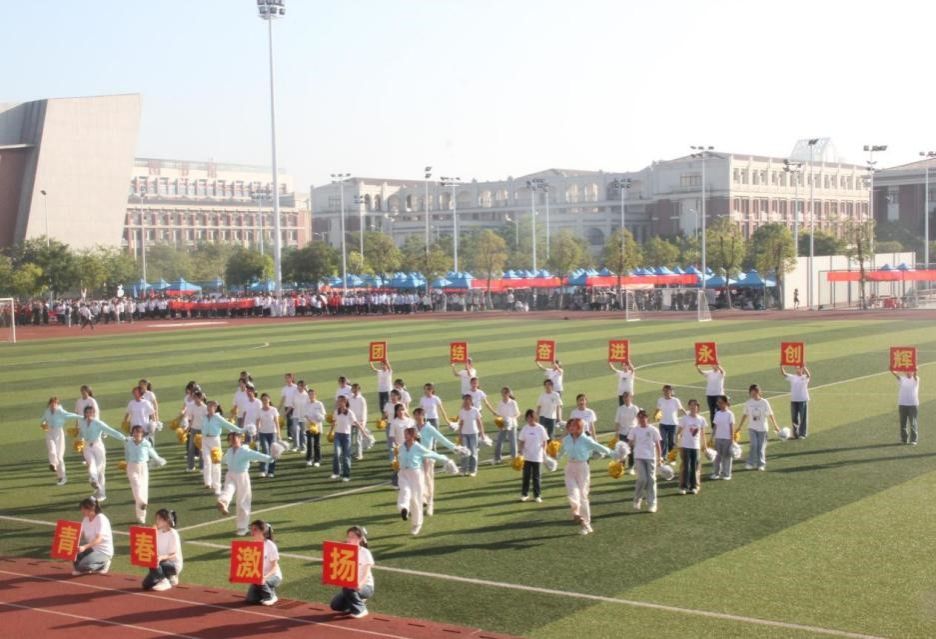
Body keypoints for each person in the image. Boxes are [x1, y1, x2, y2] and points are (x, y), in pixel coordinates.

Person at [556, 418, 611, 534]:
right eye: (570, 426)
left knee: (583, 496)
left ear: (579, 427)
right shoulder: (566, 440)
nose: (570, 427)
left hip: (582, 468)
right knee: (572, 492)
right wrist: (553, 460)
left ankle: (586, 524)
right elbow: (561, 452)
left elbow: (599, 447)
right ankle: (576, 513)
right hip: (570, 467)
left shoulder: (586, 439)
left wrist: (614, 453)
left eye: (573, 426)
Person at [396, 426, 451, 535]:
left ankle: (417, 524)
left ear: (412, 436)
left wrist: (446, 459)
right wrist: (397, 463)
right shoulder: (401, 447)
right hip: (403, 473)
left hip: (415, 474)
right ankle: (404, 509)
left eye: (407, 434)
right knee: (405, 491)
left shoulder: (418, 447)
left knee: (416, 499)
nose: (404, 436)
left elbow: (432, 454)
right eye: (404, 434)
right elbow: (399, 458)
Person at [217, 431, 274, 535]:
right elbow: (223, 460)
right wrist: (217, 459)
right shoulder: (231, 451)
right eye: (230, 439)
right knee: (242, 500)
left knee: (230, 493)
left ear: (240, 439)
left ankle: (224, 502)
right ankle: (241, 527)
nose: (232, 441)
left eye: (234, 439)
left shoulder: (243, 451)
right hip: (236, 475)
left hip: (237, 474)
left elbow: (257, 455)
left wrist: (270, 459)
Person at [412, 407, 465, 516]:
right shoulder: (413, 428)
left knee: (428, 478)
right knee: (418, 479)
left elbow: (441, 439)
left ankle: (430, 502)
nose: (417, 417)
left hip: (428, 456)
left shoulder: (429, 428)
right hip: (416, 457)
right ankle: (423, 497)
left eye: (419, 414)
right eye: (415, 415)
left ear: (423, 416)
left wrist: (454, 447)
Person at [78, 406, 127, 501]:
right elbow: (82, 434)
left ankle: (101, 493)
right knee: (91, 464)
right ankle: (93, 480)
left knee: (100, 470)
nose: (89, 414)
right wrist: (80, 442)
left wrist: (124, 438)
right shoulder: (82, 423)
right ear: (85, 413)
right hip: (87, 447)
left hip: (98, 447)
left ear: (94, 413)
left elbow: (111, 431)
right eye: (87, 412)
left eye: (91, 412)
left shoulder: (98, 423)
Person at [124, 425, 167, 524]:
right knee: (136, 486)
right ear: (132, 433)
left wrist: (158, 459)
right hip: (132, 466)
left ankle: (141, 517)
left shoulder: (146, 443)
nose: (136, 434)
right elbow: (126, 454)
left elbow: (152, 452)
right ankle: (142, 503)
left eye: (139, 432)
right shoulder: (128, 443)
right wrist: (126, 463)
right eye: (135, 432)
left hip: (143, 467)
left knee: (143, 491)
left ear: (142, 433)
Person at [329, 525, 374, 619]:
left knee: (348, 587)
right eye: (348, 536)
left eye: (352, 537)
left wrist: (360, 584)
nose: (349, 539)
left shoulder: (365, 553)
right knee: (335, 605)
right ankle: (358, 600)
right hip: (351, 586)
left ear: (360, 539)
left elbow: (366, 573)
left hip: (366, 587)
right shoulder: (345, 551)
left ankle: (361, 609)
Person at [202, 401, 244, 494]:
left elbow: (228, 425)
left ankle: (217, 486)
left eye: (211, 406)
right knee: (206, 461)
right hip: (205, 440)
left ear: (215, 408)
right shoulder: (204, 417)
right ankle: (208, 482)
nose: (209, 408)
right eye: (208, 406)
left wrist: (240, 430)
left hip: (215, 440)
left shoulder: (218, 418)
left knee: (216, 462)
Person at [738, 384, 780, 471]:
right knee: (753, 445)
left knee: (761, 447)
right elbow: (745, 415)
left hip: (763, 428)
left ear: (758, 392)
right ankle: (751, 463)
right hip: (752, 428)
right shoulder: (748, 403)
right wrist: (739, 426)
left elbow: (771, 414)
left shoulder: (764, 402)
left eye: (754, 393)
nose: (752, 395)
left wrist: (775, 425)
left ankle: (761, 464)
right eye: (751, 393)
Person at [40, 397, 81, 486]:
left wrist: (82, 417)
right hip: (49, 432)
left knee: (59, 457)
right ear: (49, 404)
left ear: (57, 404)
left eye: (55, 403)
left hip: (58, 433)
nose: (53, 405)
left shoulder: (60, 411)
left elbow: (69, 415)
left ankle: (63, 477)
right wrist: (43, 424)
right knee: (52, 451)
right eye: (52, 403)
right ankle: (53, 465)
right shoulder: (47, 411)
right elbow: (42, 420)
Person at [629, 409, 663, 512]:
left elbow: (658, 444)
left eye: (643, 417)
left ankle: (652, 503)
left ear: (647, 418)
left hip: (651, 457)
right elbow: (630, 443)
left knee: (651, 480)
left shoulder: (653, 429)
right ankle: (637, 499)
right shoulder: (634, 430)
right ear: (637, 419)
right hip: (638, 457)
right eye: (640, 417)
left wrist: (660, 458)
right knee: (642, 479)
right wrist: (624, 451)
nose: (642, 419)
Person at [142, 509, 183, 591]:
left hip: (173, 565)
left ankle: (165, 581)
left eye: (159, 519)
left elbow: (174, 554)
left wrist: (161, 557)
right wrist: (151, 532)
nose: (156, 521)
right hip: (160, 563)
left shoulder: (173, 534)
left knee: (154, 561)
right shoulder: (158, 532)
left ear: (166, 521)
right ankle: (169, 578)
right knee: (146, 585)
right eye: (156, 519)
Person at [245, 519, 282, 606]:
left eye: (255, 529)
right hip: (259, 577)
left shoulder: (270, 545)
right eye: (251, 529)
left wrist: (265, 577)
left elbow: (274, 567)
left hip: (273, 576)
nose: (252, 532)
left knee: (261, 581)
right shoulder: (252, 545)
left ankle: (271, 597)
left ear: (262, 531)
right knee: (251, 599)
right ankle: (268, 589)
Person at [72, 497, 113, 575]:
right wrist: (72, 545)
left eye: (83, 509)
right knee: (75, 556)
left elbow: (99, 539)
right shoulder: (86, 519)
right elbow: (81, 534)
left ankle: (104, 564)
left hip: (103, 551)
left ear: (91, 508)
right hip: (92, 549)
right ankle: (84, 567)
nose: (82, 511)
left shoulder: (101, 519)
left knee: (83, 565)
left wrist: (84, 547)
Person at [675, 399, 707, 494]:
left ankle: (694, 486)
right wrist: (677, 440)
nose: (693, 407)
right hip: (685, 446)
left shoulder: (701, 419)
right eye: (691, 405)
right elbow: (679, 432)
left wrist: (705, 445)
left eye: (695, 405)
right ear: (688, 407)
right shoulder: (684, 418)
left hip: (696, 446)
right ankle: (683, 487)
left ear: (698, 407)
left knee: (695, 467)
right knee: (686, 466)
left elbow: (703, 434)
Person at [518, 409, 549, 503]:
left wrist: (544, 452)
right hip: (527, 456)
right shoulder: (525, 428)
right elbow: (521, 441)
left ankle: (537, 495)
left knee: (536, 477)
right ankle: (525, 494)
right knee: (526, 476)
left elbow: (545, 441)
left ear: (535, 417)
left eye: (532, 417)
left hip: (537, 456)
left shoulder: (540, 428)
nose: (530, 419)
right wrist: (520, 451)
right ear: (526, 418)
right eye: (528, 417)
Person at [329, 396, 358, 482]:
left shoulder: (349, 413)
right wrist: (330, 432)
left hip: (346, 437)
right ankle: (336, 472)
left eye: (339, 401)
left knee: (346, 456)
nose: (338, 403)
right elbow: (334, 423)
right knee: (336, 454)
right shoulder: (336, 412)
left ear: (344, 402)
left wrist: (364, 432)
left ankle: (346, 475)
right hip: (337, 435)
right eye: (337, 401)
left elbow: (356, 423)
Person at [457, 394, 486, 476]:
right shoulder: (462, 411)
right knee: (465, 452)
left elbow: (479, 422)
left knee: (473, 452)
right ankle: (463, 470)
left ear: (470, 401)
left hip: (474, 433)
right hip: (464, 434)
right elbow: (461, 423)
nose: (466, 401)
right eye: (464, 400)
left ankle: (473, 470)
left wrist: (482, 433)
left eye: (467, 399)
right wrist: (459, 434)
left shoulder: (475, 410)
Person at [781, 364, 811, 439]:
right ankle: (795, 434)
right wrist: (781, 366)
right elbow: (784, 374)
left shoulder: (804, 377)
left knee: (803, 417)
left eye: (799, 368)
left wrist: (804, 367)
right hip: (794, 400)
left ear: (802, 369)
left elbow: (809, 375)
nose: (797, 369)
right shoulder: (792, 377)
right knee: (794, 417)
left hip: (803, 400)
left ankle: (802, 434)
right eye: (796, 368)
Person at [655, 385, 684, 460]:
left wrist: (688, 416)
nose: (666, 392)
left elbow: (681, 409)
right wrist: (655, 415)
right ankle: (663, 456)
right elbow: (657, 410)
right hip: (663, 424)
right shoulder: (660, 400)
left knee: (672, 442)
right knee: (663, 440)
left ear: (671, 391)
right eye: (664, 390)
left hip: (673, 424)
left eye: (668, 390)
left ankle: (672, 458)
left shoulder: (675, 400)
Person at [710, 396, 736, 481]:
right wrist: (712, 437)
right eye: (718, 402)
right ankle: (716, 473)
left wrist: (732, 439)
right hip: (718, 438)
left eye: (721, 402)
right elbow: (715, 426)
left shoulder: (730, 414)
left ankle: (727, 474)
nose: (719, 404)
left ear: (726, 403)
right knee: (717, 457)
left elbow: (732, 427)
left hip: (727, 438)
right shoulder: (717, 413)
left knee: (726, 457)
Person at [614, 392, 640, 474]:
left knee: (631, 451)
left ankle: (631, 467)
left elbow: (639, 420)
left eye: (627, 397)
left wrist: (639, 431)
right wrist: (617, 433)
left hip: (632, 432)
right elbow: (617, 421)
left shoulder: (635, 408)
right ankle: (621, 467)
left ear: (631, 398)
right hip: (622, 432)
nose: (626, 399)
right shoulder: (620, 409)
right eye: (624, 397)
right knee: (622, 451)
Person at [257, 393, 282, 478]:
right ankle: (263, 470)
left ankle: (271, 471)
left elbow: (277, 422)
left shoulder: (273, 410)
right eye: (263, 400)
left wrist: (279, 434)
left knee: (272, 452)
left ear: (269, 400)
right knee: (265, 450)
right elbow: (257, 422)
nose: (265, 401)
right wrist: (257, 432)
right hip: (263, 433)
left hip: (272, 433)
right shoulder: (259, 411)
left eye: (266, 399)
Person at [388, 403, 413, 488]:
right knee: (399, 466)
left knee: (410, 465)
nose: (401, 411)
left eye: (402, 409)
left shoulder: (410, 421)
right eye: (399, 410)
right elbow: (392, 435)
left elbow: (415, 433)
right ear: (396, 411)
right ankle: (395, 483)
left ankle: (409, 482)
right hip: (400, 447)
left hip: (410, 446)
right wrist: (396, 445)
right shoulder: (394, 422)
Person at [183, 390, 207, 473]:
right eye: (194, 397)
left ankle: (202, 467)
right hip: (193, 429)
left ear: (200, 398)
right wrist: (188, 428)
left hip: (202, 431)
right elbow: (191, 418)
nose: (194, 399)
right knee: (191, 448)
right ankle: (191, 466)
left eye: (196, 398)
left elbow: (207, 421)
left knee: (202, 449)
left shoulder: (205, 408)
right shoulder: (192, 406)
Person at [494, 387, 520, 464]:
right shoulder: (500, 403)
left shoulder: (513, 402)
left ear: (508, 393)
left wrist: (511, 419)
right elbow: (498, 414)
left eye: (505, 393)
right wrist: (499, 419)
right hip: (503, 425)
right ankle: (497, 458)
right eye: (502, 392)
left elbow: (518, 413)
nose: (504, 394)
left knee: (513, 442)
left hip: (512, 425)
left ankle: (514, 459)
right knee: (499, 441)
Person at [894, 370, 920, 445]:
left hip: (913, 404)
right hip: (902, 404)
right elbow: (896, 375)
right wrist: (892, 369)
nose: (908, 373)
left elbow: (915, 375)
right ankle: (904, 439)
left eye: (910, 371)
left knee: (913, 423)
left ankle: (913, 440)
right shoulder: (902, 379)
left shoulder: (916, 379)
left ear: (912, 372)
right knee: (903, 423)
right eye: (907, 372)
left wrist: (915, 369)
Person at [348, 384, 372, 461]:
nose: (354, 390)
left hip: (359, 421)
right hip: (351, 421)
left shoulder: (362, 399)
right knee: (350, 438)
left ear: (358, 390)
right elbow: (348, 409)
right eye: (353, 389)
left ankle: (359, 454)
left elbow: (364, 411)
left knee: (358, 438)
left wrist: (363, 421)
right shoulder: (350, 399)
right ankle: (350, 453)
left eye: (356, 389)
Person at [304, 388, 326, 467]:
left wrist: (318, 418)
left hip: (318, 427)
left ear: (315, 395)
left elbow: (323, 415)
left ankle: (317, 460)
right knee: (309, 443)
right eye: (310, 394)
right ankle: (309, 459)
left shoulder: (319, 404)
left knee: (317, 444)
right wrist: (310, 421)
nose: (311, 396)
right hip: (309, 426)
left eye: (312, 394)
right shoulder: (306, 404)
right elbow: (305, 415)